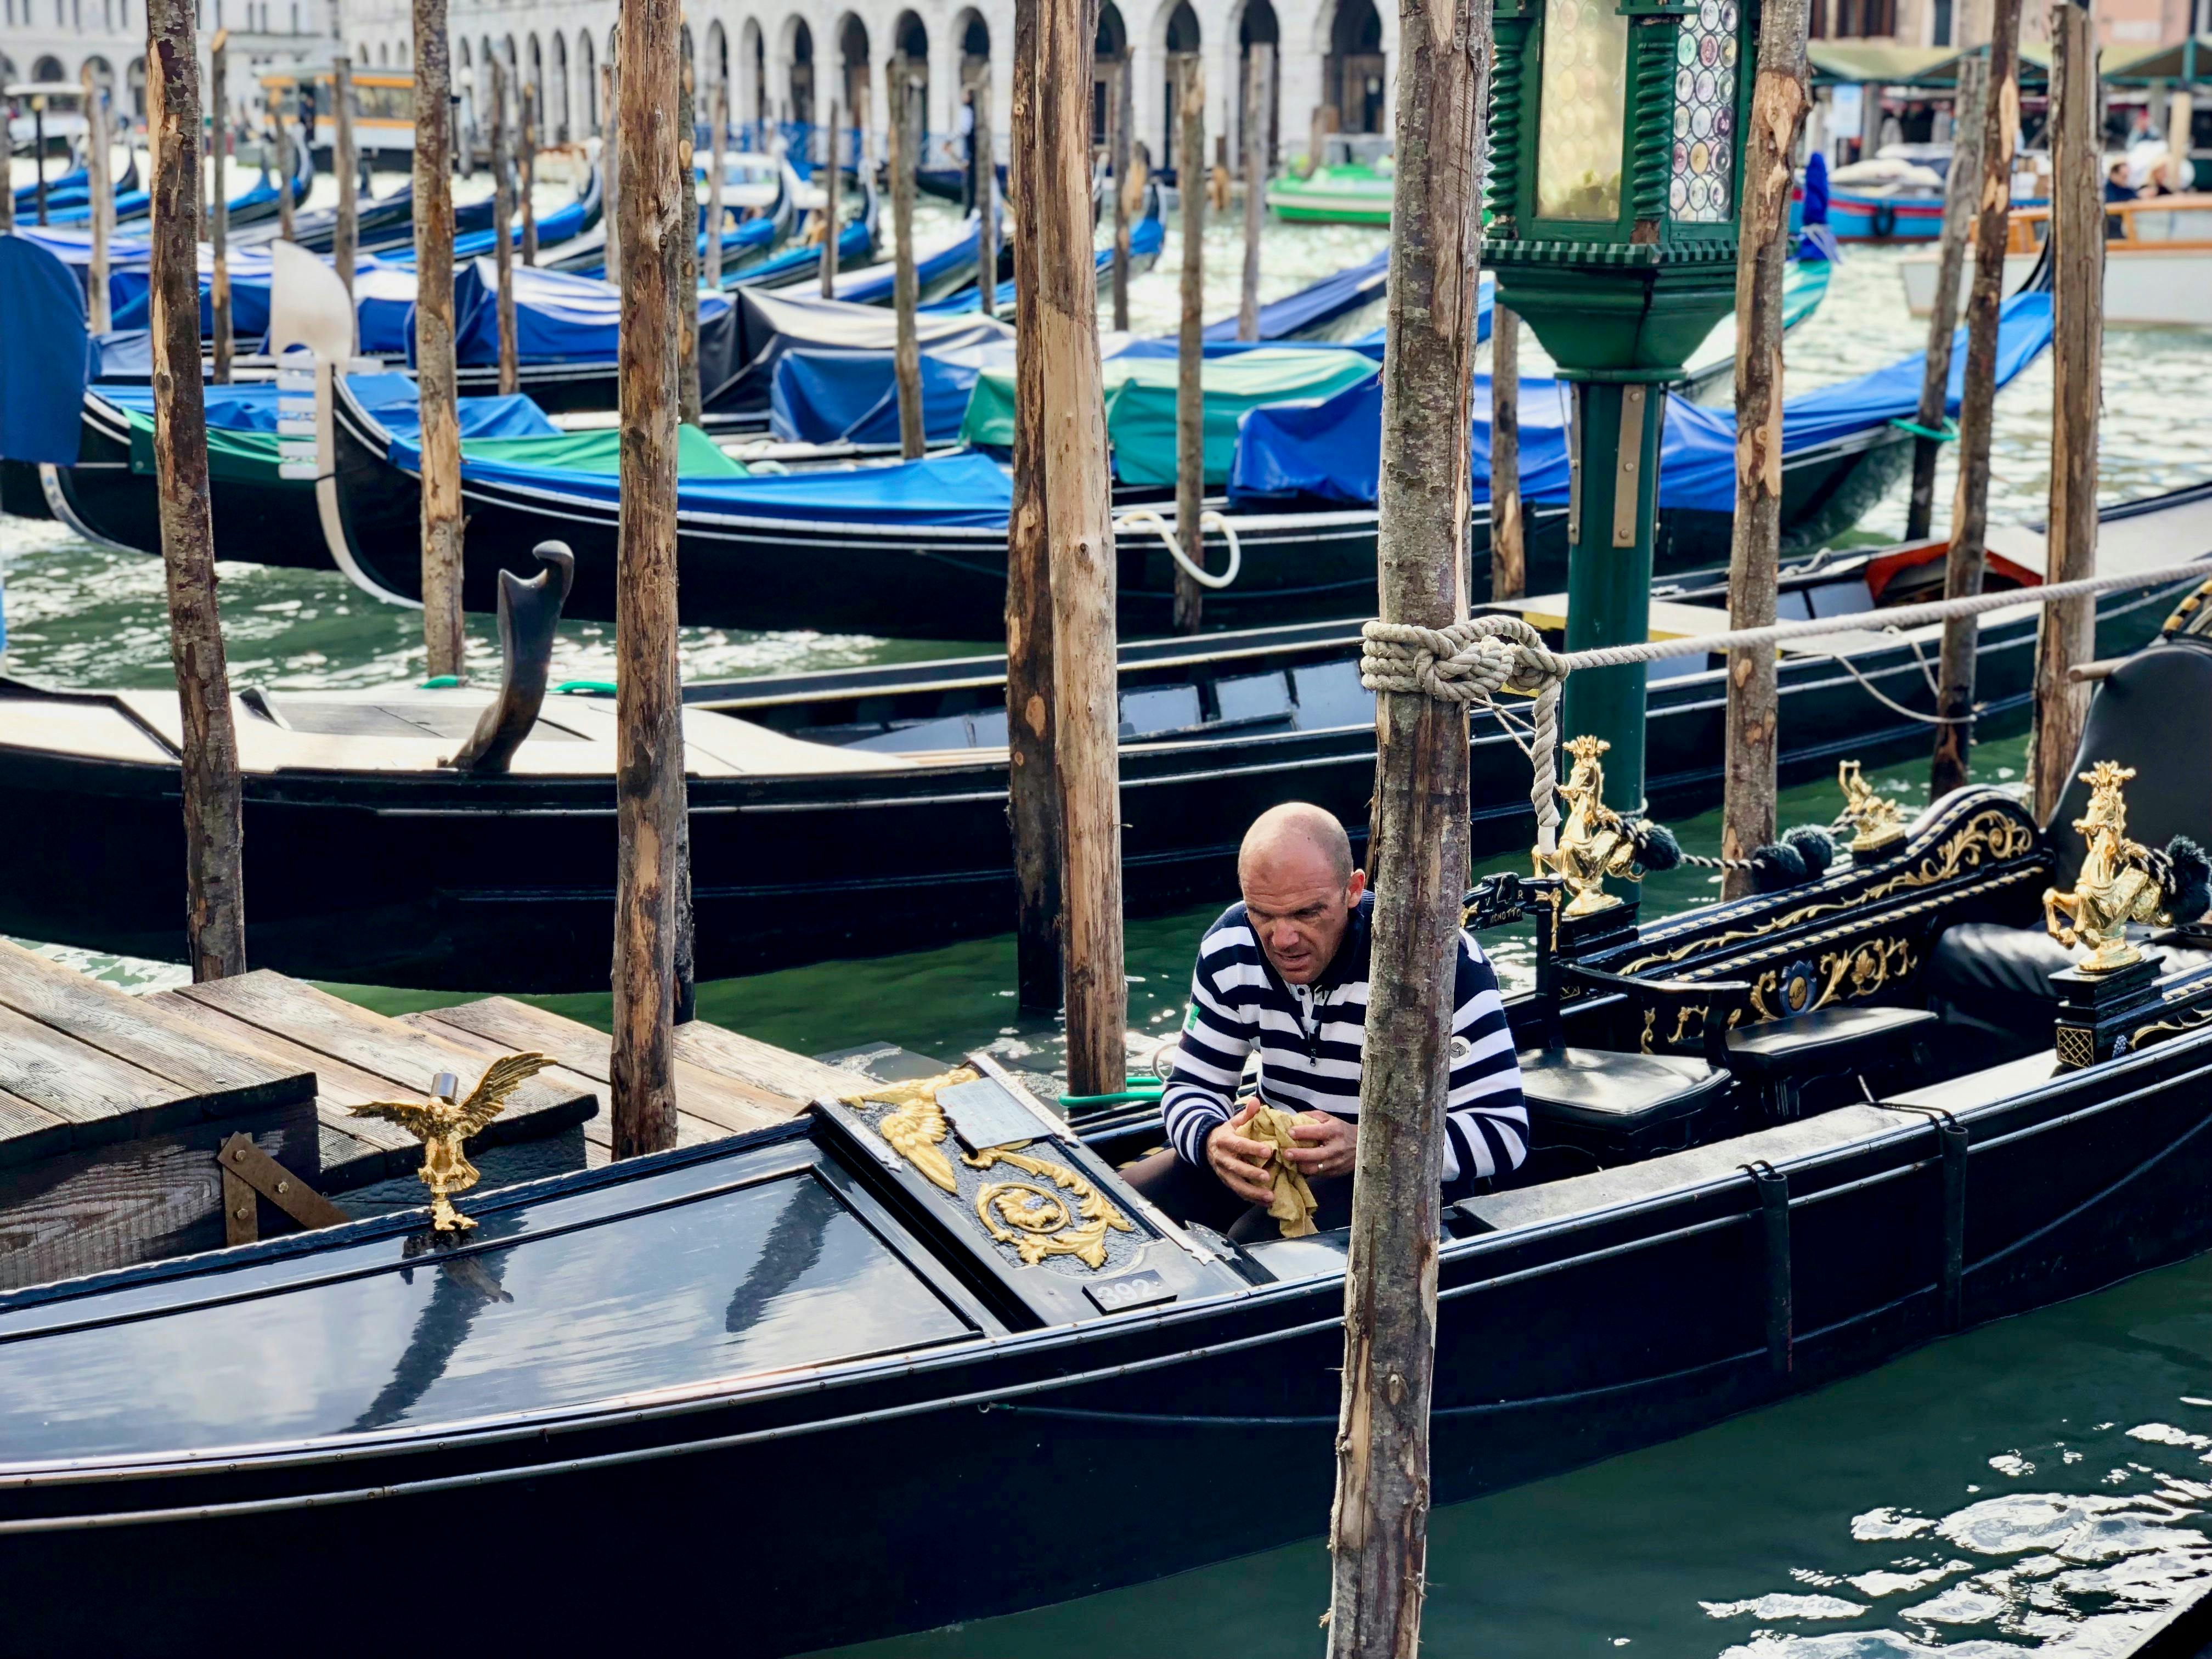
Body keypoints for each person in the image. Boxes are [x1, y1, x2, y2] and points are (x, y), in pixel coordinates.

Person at [1124, 803, 1528, 1242]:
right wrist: (1212, 1142)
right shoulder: (1230, 946)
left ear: (1353, 890)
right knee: (1119, 1213)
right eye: (1263, 913)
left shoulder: (1442, 963)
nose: (1283, 940)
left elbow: (1503, 1132)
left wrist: (1371, 1147)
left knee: (1252, 1245)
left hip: (1404, 1179)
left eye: (1306, 913)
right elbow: (1193, 1087)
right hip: (1278, 1159)